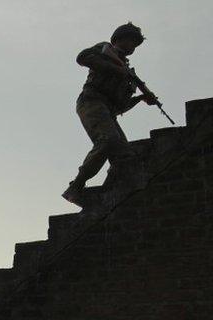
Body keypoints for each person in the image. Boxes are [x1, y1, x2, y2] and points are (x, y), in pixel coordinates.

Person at [62, 22, 159, 206]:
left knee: (125, 157)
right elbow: (82, 57)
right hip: (91, 101)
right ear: (119, 39)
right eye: (130, 41)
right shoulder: (105, 49)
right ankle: (76, 187)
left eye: (135, 45)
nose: (132, 47)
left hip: (108, 110)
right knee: (108, 140)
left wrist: (139, 99)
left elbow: (119, 107)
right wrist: (118, 70)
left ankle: (107, 194)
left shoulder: (128, 73)